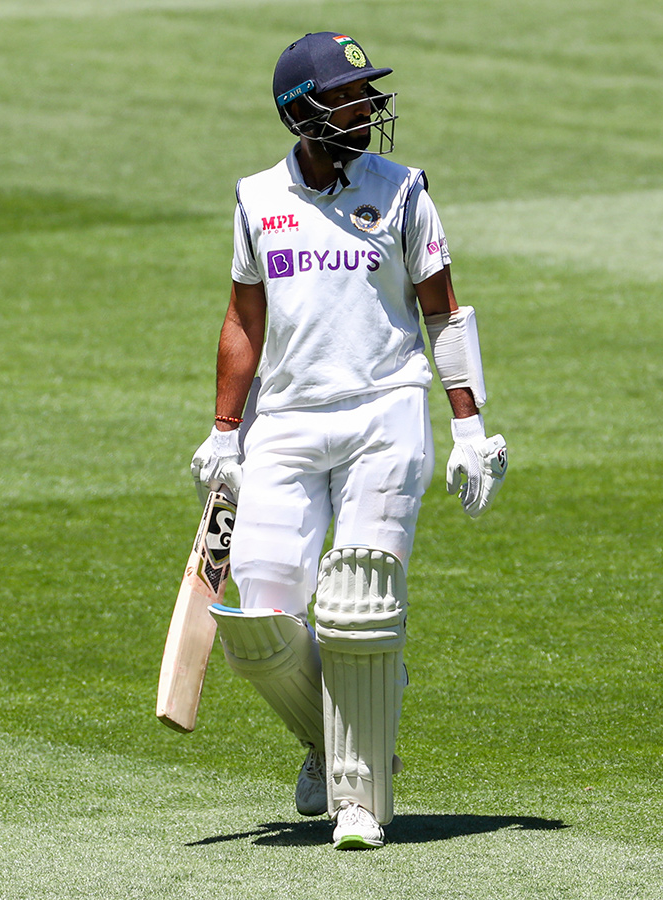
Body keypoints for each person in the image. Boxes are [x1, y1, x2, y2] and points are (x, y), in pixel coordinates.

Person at [190, 31, 507, 850]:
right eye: (348, 95)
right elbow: (242, 318)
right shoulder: (257, 198)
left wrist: (469, 426)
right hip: (286, 422)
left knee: (358, 607)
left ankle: (359, 799)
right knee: (256, 622)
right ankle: (330, 741)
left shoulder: (402, 192)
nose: (366, 106)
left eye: (368, 92)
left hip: (385, 408)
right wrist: (225, 432)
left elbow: (443, 310)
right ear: (302, 112)